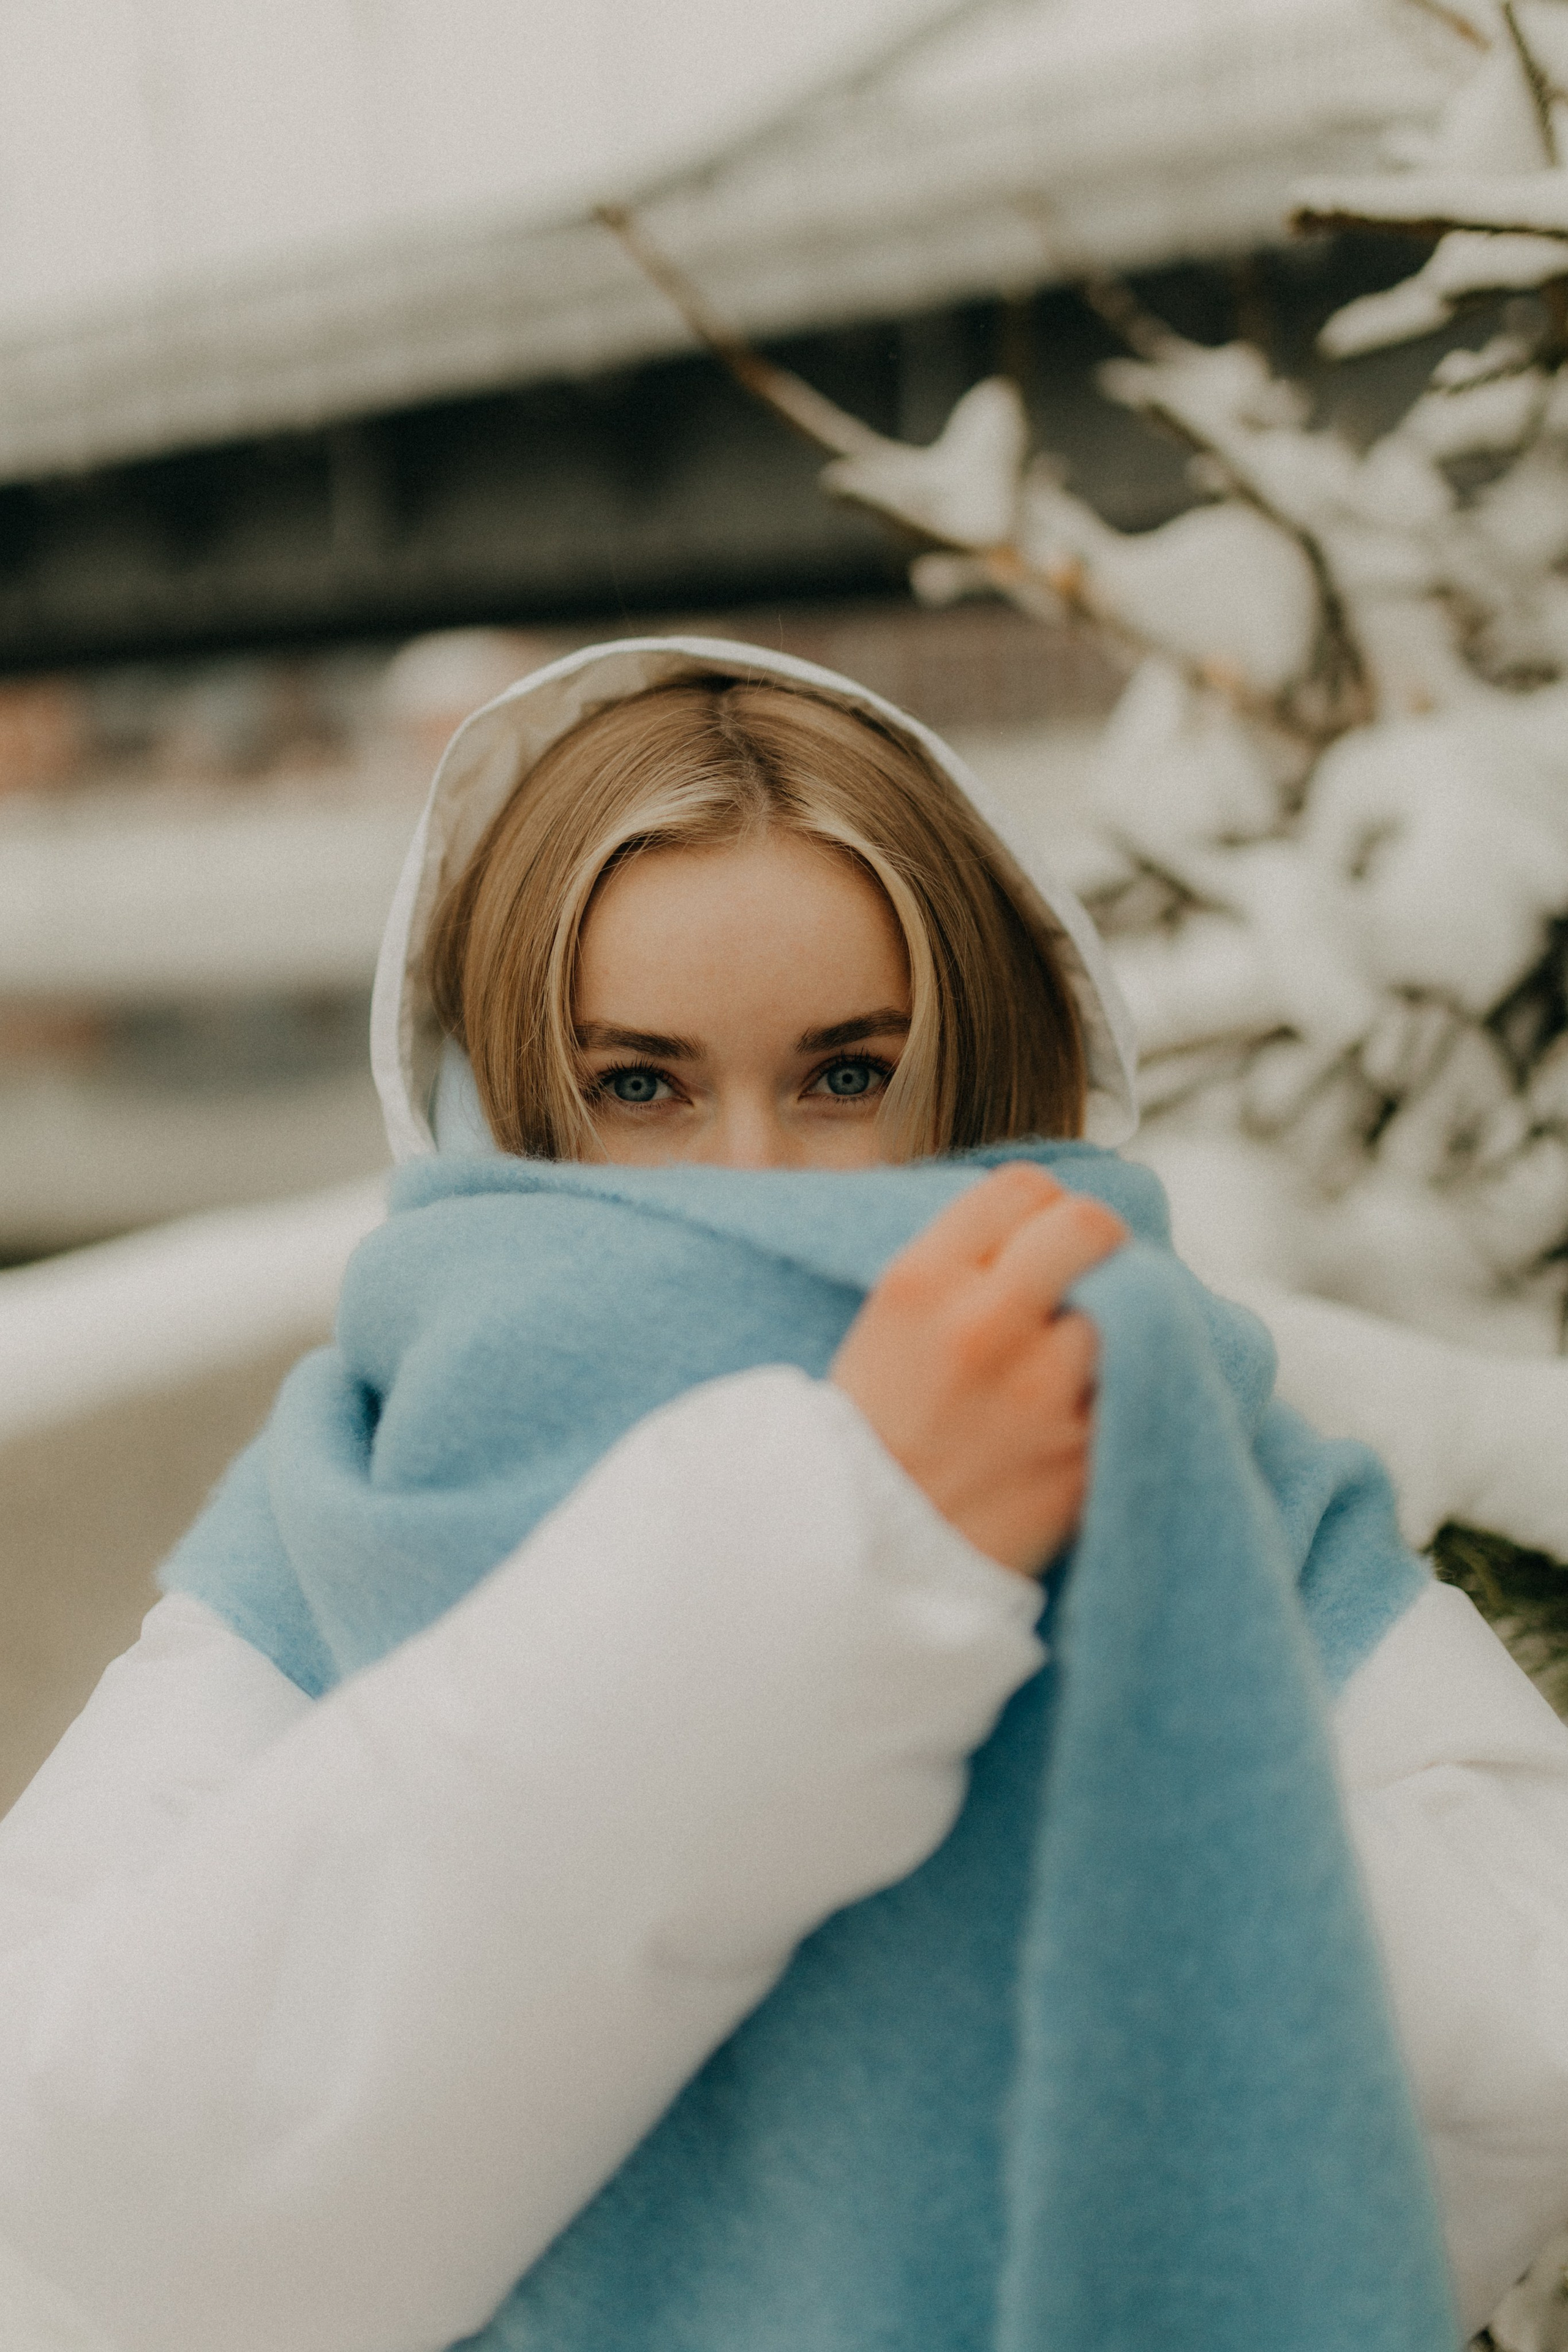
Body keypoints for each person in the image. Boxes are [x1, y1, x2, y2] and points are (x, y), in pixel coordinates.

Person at [0, 636, 1564, 2352]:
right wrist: (827, 1568)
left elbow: (1529, 2035)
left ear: (971, 1071)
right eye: (642, 1087)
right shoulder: (361, 1494)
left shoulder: (1184, 1432)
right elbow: (101, 2178)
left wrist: (1108, 1648)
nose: (748, 1181)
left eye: (842, 1076)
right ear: (510, 1101)